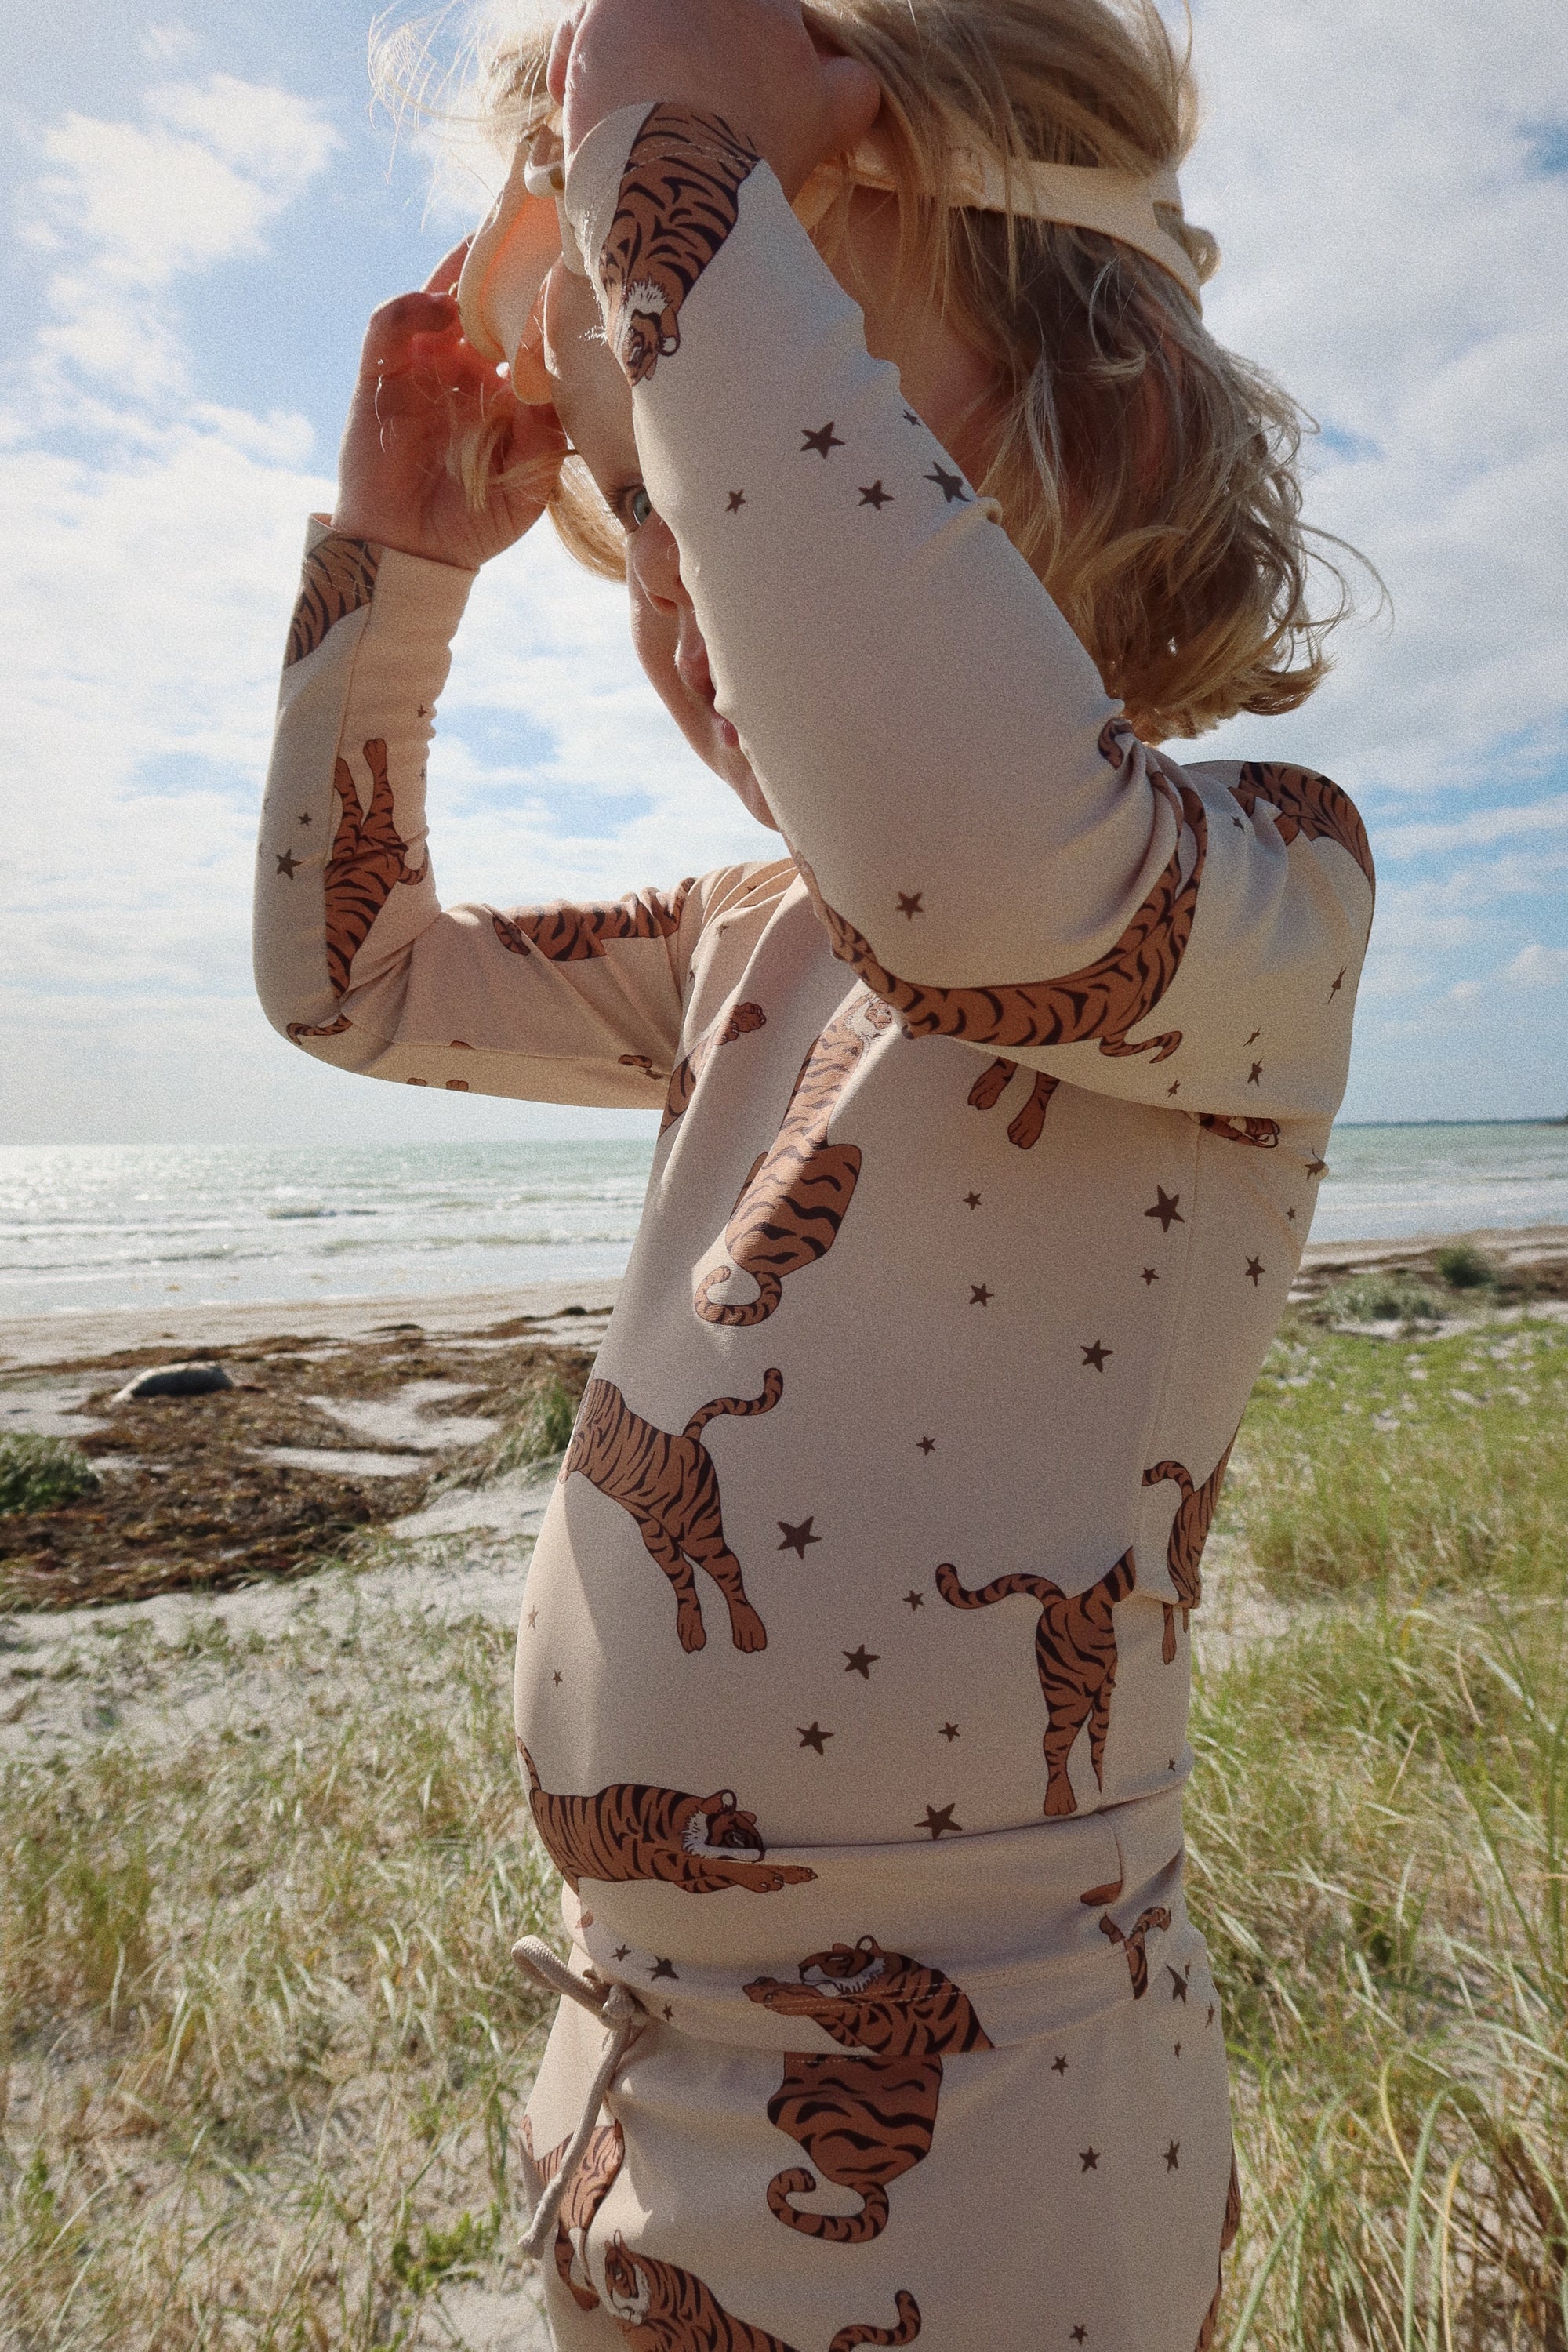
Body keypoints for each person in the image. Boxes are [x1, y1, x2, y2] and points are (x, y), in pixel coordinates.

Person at [254, 0, 1375, 2343]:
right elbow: (352, 982)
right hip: (630, 2066)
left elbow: (969, 868)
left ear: (1115, 413)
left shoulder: (1262, 885)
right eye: (650, 499)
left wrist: (674, 193)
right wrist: (397, 578)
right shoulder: (741, 946)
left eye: (779, 408)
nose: (693, 575)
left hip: (994, 2128)